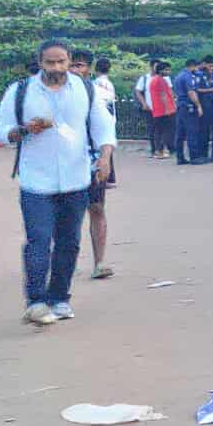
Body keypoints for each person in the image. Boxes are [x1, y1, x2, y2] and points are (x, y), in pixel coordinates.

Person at [0, 36, 117, 325]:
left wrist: (104, 158)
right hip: (36, 182)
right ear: (40, 62)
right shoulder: (21, 92)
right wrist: (23, 130)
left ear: (69, 61)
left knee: (69, 242)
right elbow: (0, 131)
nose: (56, 67)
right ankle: (37, 301)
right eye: (50, 62)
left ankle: (60, 298)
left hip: (76, 180)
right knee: (38, 241)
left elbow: (103, 127)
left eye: (61, 61)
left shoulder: (86, 90)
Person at [71, 51, 119, 280]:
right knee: (66, 214)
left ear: (88, 69)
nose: (73, 69)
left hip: (91, 160)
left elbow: (106, 128)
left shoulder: (96, 94)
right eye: (71, 65)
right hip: (64, 162)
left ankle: (100, 262)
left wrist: (105, 157)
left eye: (79, 65)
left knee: (97, 208)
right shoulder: (51, 95)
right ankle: (65, 260)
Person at [171, 57, 203, 165]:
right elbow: (191, 92)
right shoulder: (188, 76)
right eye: (197, 67)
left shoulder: (178, 76)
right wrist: (198, 105)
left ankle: (180, 157)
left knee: (180, 133)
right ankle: (194, 157)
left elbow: (174, 92)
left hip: (180, 106)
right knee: (192, 131)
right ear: (193, 66)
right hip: (188, 106)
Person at [145, 60, 176, 162]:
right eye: (167, 70)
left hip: (157, 110)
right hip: (164, 110)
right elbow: (163, 95)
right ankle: (161, 151)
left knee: (158, 131)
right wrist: (168, 109)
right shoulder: (161, 80)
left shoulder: (153, 80)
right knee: (166, 131)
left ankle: (159, 151)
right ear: (161, 70)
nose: (168, 72)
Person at [196, 55, 213, 161]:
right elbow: (196, 89)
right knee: (204, 131)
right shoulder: (199, 75)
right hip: (204, 106)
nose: (211, 68)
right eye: (210, 65)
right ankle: (203, 154)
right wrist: (212, 89)